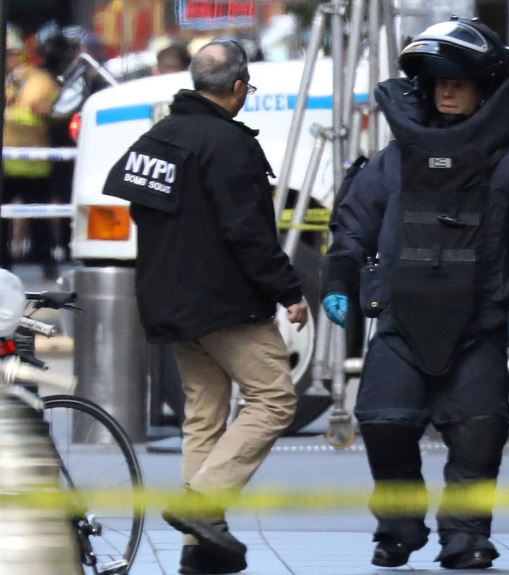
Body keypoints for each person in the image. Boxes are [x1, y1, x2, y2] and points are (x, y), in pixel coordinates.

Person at [321, 17, 509, 570]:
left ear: (485, 87)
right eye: (438, 81)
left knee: (479, 435)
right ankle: (399, 528)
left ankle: (465, 537)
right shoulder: (393, 160)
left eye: (458, 79)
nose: (447, 89)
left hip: (477, 327)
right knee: (383, 422)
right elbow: (352, 225)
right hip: (400, 325)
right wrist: (337, 279)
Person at [101, 39, 308, 575]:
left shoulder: (157, 137)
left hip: (167, 300)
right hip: (224, 304)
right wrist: (288, 291)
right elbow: (249, 232)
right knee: (274, 399)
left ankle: (201, 551)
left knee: (204, 415)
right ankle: (202, 505)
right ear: (238, 88)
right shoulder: (227, 143)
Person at [2, 26, 60, 277]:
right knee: (2, 219)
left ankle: (45, 260)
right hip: (6, 163)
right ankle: (4, 263)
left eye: (9, 54)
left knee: (40, 218)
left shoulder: (40, 80)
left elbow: (49, 111)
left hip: (35, 161)